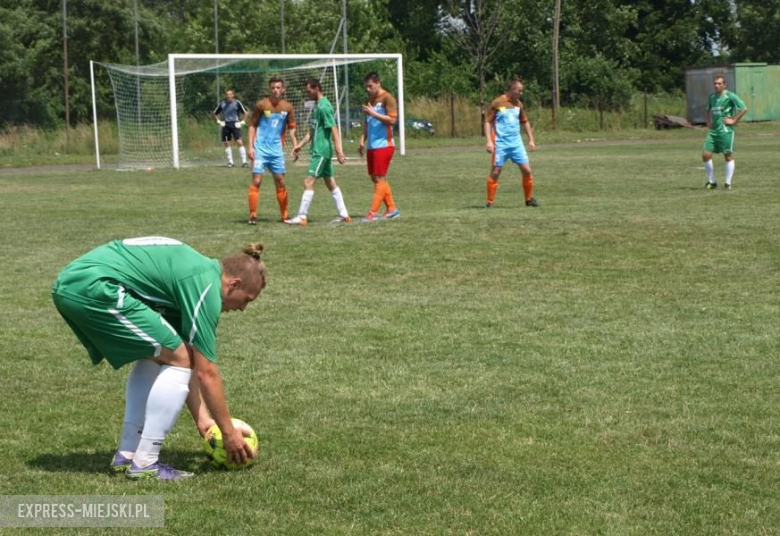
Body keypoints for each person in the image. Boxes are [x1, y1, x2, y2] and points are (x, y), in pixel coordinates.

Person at [51, 237, 266, 480]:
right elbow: (207, 373)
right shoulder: (206, 289)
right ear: (233, 284)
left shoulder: (197, 272)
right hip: (93, 287)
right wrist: (228, 433)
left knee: (162, 354)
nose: (243, 308)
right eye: (247, 299)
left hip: (73, 282)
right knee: (177, 356)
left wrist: (204, 421)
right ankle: (145, 462)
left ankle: (127, 453)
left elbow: (187, 356)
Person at [284, 79, 351, 226]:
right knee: (330, 182)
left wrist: (339, 151)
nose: (307, 94)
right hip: (318, 150)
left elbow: (334, 128)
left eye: (308, 91)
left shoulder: (324, 107)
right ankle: (344, 214)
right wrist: (299, 145)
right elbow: (312, 130)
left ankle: (302, 216)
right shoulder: (317, 106)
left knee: (308, 181)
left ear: (317, 89)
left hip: (322, 151)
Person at [246, 77, 298, 225]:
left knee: (280, 181)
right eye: (273, 87)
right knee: (257, 180)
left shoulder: (287, 107)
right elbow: (252, 126)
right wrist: (250, 146)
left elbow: (292, 128)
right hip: (260, 149)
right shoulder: (262, 105)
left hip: (276, 151)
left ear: (283, 89)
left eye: (278, 87)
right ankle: (253, 215)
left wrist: (295, 145)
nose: (275, 90)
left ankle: (285, 215)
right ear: (270, 89)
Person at [484, 75, 540, 208]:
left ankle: (529, 199)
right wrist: (489, 142)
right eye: (519, 91)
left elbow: (524, 122)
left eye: (522, 91)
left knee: (527, 170)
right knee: (496, 171)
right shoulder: (497, 102)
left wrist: (531, 140)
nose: (521, 93)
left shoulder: (519, 104)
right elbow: (487, 122)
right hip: (500, 144)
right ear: (511, 89)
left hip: (516, 144)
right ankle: (489, 202)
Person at [358, 72, 400, 222]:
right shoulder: (370, 99)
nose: (368, 89)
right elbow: (367, 121)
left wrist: (374, 113)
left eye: (370, 86)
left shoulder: (388, 98)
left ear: (378, 83)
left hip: (384, 144)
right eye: (366, 87)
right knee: (375, 177)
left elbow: (392, 120)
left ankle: (372, 213)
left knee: (380, 178)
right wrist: (362, 140)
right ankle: (392, 209)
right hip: (372, 145)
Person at [702, 75, 748, 191]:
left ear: (724, 85)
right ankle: (712, 182)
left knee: (727, 156)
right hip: (713, 131)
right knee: (706, 155)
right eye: (715, 83)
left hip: (725, 131)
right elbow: (707, 110)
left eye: (719, 83)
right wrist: (707, 121)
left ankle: (727, 183)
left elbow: (743, 108)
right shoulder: (712, 97)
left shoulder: (730, 96)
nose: (716, 85)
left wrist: (734, 120)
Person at [213, 89, 249, 168]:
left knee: (239, 142)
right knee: (226, 142)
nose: (228, 96)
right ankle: (230, 162)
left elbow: (246, 112)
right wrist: (219, 121)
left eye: (230, 94)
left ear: (233, 95)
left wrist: (242, 122)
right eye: (227, 94)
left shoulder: (237, 103)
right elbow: (215, 113)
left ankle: (244, 162)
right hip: (226, 124)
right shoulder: (222, 104)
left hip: (235, 124)